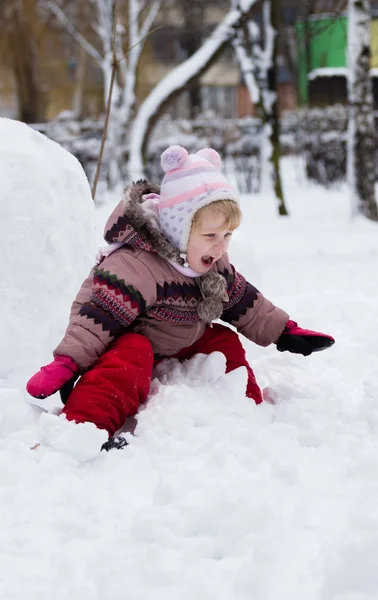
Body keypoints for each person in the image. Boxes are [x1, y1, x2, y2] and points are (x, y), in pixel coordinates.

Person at [26, 145, 334, 451]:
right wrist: (68, 363)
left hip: (178, 335)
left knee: (222, 341)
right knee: (131, 354)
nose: (220, 246)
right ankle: (84, 426)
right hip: (123, 338)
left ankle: (245, 409)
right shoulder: (137, 265)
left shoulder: (210, 261)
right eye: (210, 236)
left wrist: (283, 331)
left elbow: (241, 299)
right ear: (178, 228)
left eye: (227, 236)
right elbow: (97, 319)